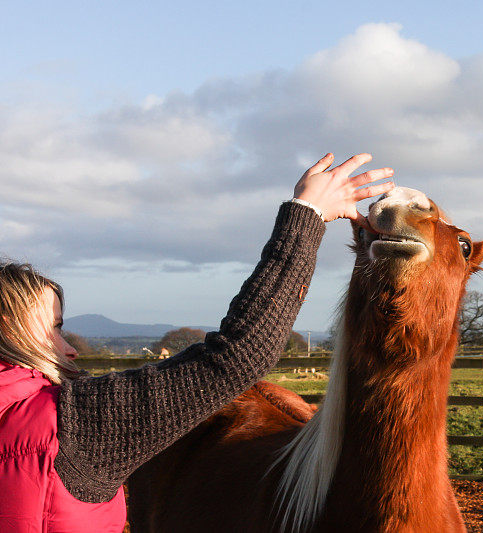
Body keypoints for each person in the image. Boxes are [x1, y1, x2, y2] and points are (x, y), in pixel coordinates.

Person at [0, 153, 394, 532]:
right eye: (52, 327)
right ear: (9, 330)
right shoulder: (69, 423)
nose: (68, 346)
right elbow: (239, 354)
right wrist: (306, 215)